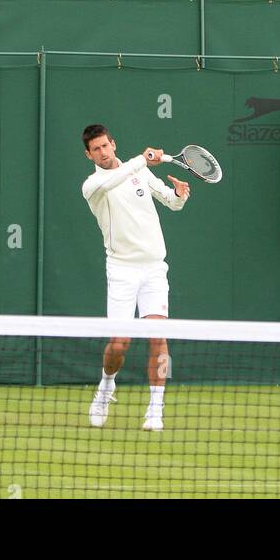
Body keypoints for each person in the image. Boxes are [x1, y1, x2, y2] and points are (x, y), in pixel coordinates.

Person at [81, 124, 190, 431]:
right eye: (96, 149)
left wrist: (180, 195)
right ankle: (106, 386)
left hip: (155, 268)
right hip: (121, 271)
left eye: (106, 146)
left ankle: (156, 408)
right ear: (88, 154)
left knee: (158, 338)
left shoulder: (140, 171)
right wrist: (141, 159)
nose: (103, 153)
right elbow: (118, 177)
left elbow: (170, 201)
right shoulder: (93, 185)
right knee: (119, 344)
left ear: (113, 144)